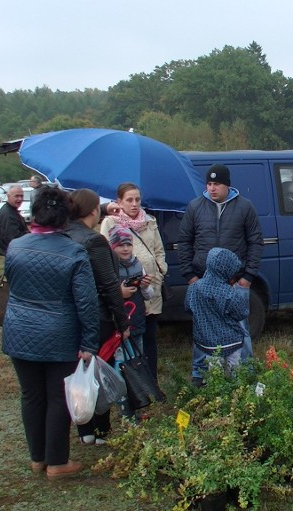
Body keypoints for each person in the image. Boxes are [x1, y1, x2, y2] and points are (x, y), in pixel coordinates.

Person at [1, 186, 99, 480]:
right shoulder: (74, 252)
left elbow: (13, 286)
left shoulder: (16, 247)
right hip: (59, 334)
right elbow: (87, 301)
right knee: (57, 397)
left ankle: (37, 458)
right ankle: (57, 462)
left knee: (31, 396)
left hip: (19, 330)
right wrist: (89, 341)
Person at [178, 164, 263, 387]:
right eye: (209, 184)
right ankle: (200, 375)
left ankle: (245, 372)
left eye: (217, 184)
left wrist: (247, 277)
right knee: (202, 328)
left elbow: (255, 241)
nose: (212, 188)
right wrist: (190, 276)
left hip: (235, 283)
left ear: (227, 185)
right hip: (202, 282)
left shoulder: (245, 207)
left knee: (240, 327)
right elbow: (184, 242)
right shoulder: (195, 207)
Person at [65, 189, 131, 445]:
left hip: (70, 317)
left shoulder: (63, 234)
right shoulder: (95, 242)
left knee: (79, 373)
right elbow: (108, 284)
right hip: (99, 317)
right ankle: (101, 429)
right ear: (93, 211)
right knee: (100, 373)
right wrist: (122, 321)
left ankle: (84, 429)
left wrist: (107, 210)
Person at [100, 182, 167, 381]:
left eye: (137, 199)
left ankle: (150, 382)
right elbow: (105, 256)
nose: (134, 204)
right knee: (128, 342)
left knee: (149, 338)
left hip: (150, 289)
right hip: (127, 294)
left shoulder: (149, 221)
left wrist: (160, 272)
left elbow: (159, 251)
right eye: (129, 200)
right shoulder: (111, 222)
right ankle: (129, 385)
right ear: (119, 201)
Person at [185, 247, 250, 373]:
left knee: (214, 371)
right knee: (234, 370)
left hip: (207, 341)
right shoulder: (229, 293)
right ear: (227, 270)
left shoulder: (194, 288)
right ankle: (236, 388)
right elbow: (242, 313)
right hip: (231, 340)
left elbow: (188, 307)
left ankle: (215, 388)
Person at [108, 227, 150, 355]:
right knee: (120, 359)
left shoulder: (138, 264)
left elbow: (148, 296)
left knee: (138, 356)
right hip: (116, 324)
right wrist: (119, 293)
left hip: (136, 319)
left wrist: (145, 286)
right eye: (121, 245)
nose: (125, 249)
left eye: (128, 245)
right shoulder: (109, 267)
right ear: (113, 246)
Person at [0, 185, 29, 256]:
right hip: (13, 253)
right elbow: (12, 238)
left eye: (21, 196)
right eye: (16, 196)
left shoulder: (12, 210)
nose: (19, 199)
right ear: (8, 196)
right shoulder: (8, 214)